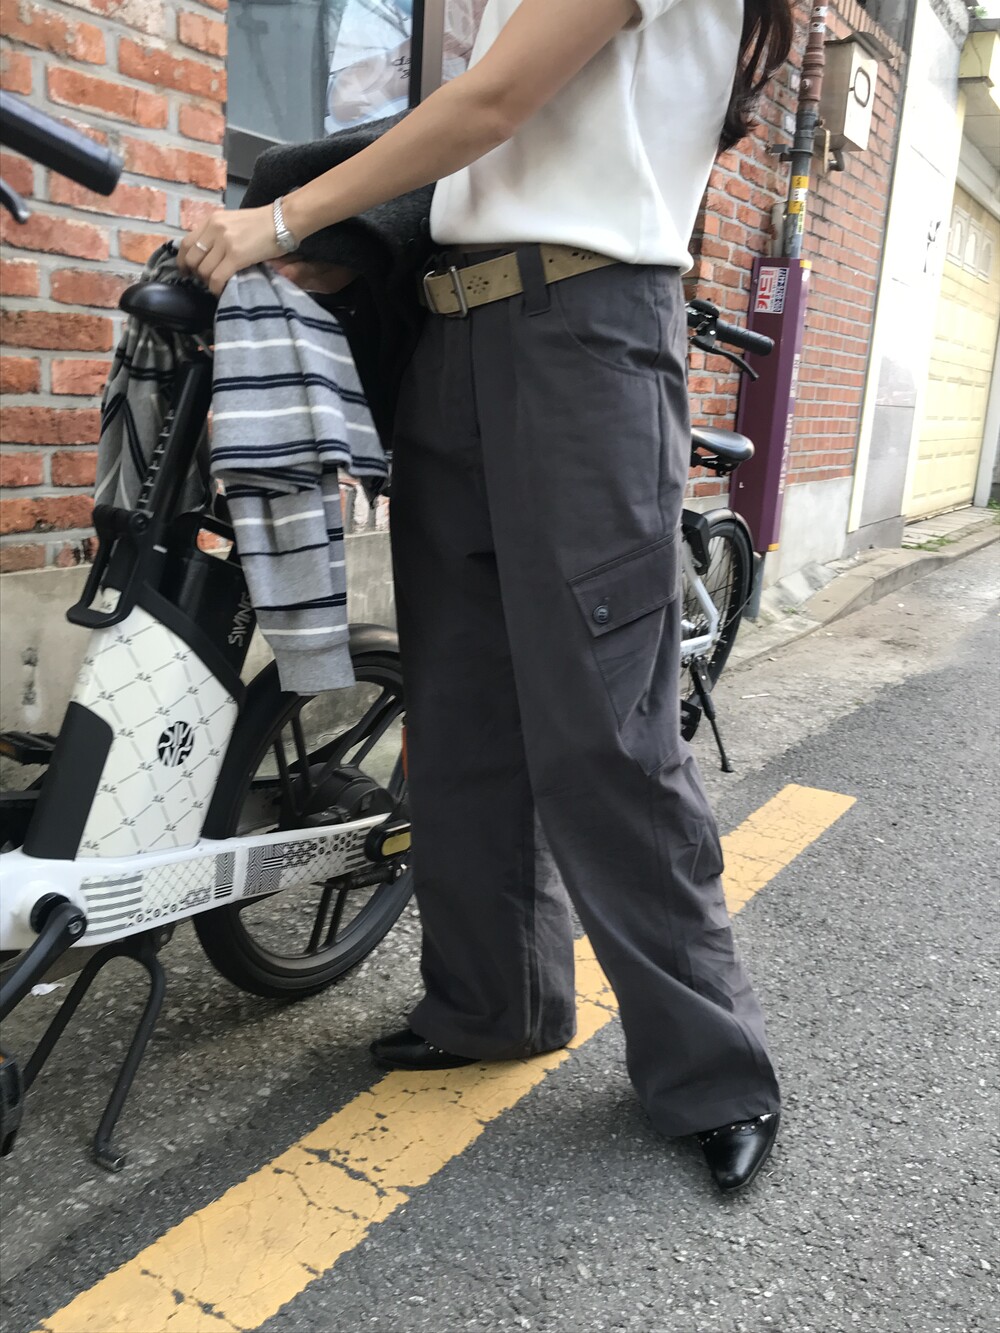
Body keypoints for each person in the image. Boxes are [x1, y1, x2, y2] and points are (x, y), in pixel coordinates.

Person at [179, 0, 794, 1193]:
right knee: (460, 706)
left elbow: (494, 103)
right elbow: (480, 151)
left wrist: (279, 220)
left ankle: (715, 1070)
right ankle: (491, 1000)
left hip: (585, 336)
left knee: (604, 727)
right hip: (457, 334)